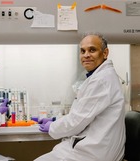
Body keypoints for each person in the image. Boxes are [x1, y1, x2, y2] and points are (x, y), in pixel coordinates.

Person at [35, 33, 126, 161]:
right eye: (82, 51)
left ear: (105, 53)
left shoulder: (102, 80)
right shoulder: (99, 76)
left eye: (92, 50)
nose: (86, 55)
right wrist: (55, 122)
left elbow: (77, 120)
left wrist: (53, 127)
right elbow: (81, 115)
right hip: (95, 148)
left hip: (93, 153)